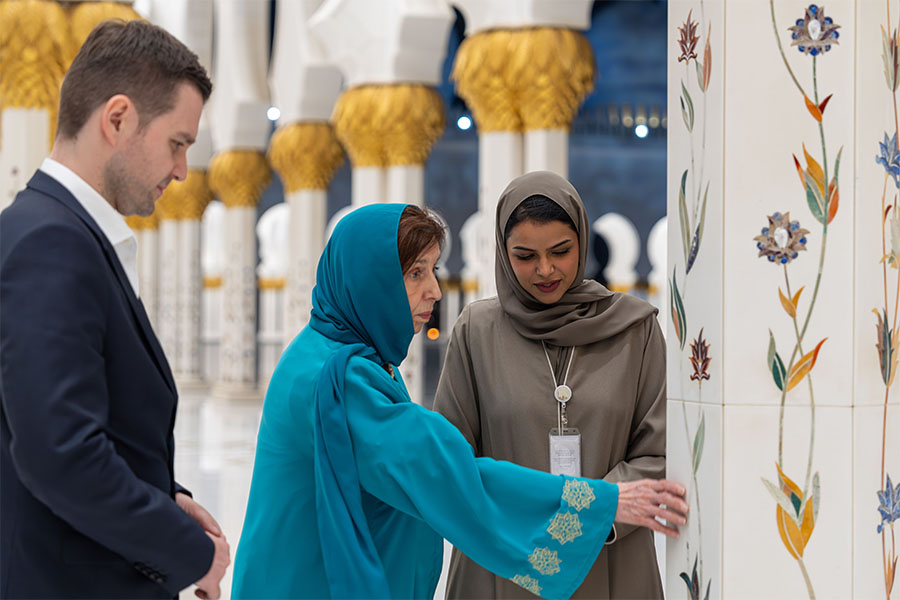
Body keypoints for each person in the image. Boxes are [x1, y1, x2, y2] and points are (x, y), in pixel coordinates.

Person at [231, 203, 687, 599]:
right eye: (415, 273)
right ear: (369, 280)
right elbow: (446, 472)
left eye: (432, 269)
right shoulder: (340, 378)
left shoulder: (337, 355)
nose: (434, 289)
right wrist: (599, 504)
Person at [0, 20, 229, 599]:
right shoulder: (51, 244)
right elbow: (61, 455)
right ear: (118, 118)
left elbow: (82, 424)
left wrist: (165, 499)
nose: (181, 171)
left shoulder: (59, 233)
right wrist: (189, 554)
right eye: (177, 143)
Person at [434, 171, 668, 599]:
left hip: (610, 553)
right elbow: (451, 459)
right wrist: (548, 519)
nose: (545, 270)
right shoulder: (477, 331)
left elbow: (658, 452)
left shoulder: (636, 330)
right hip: (506, 558)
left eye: (561, 251)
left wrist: (584, 521)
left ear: (582, 240)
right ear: (503, 254)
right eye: (525, 256)